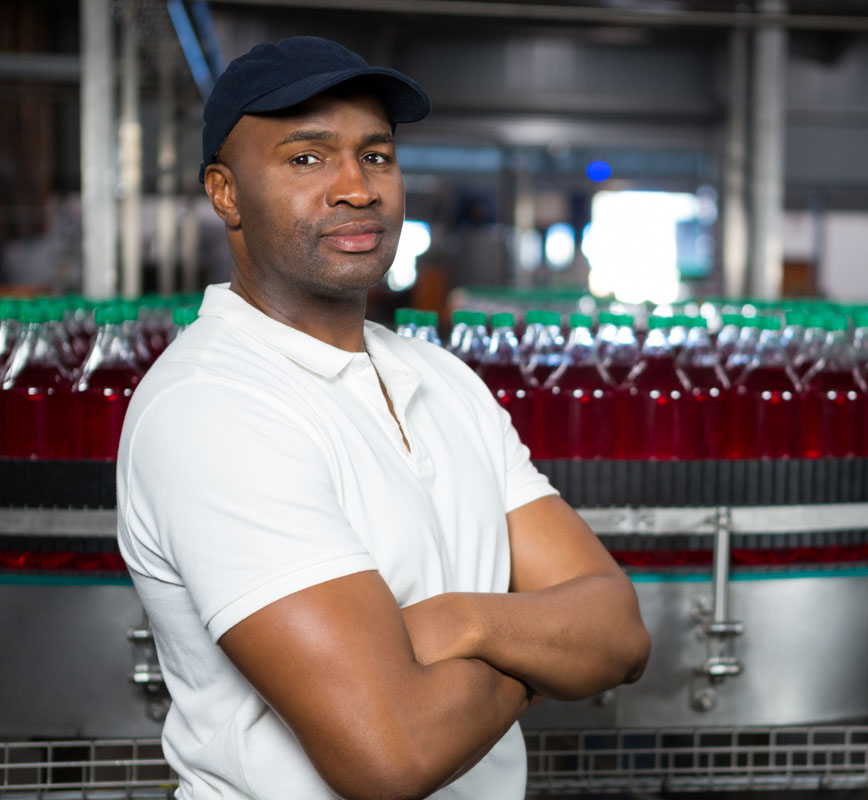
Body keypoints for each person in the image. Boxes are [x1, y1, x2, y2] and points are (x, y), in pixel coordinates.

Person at [116, 36, 651, 800]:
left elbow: (621, 633)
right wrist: (542, 657)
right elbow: (389, 753)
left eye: (376, 156)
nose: (356, 189)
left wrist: (461, 623)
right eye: (306, 158)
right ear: (226, 193)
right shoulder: (213, 408)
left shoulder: (441, 378)